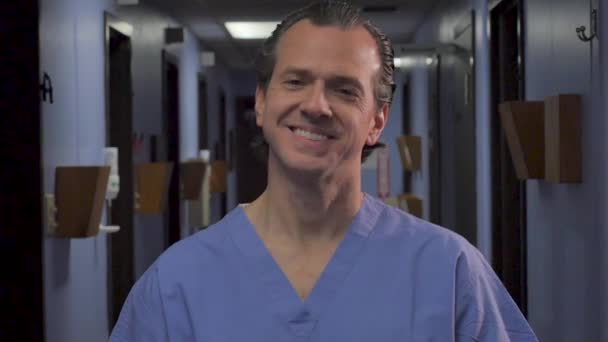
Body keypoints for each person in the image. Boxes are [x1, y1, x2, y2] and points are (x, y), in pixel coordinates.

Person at [110, 1, 538, 341]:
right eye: (296, 81)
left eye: (344, 89)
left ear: (377, 120)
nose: (316, 105)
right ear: (261, 102)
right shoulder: (176, 286)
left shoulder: (449, 272)